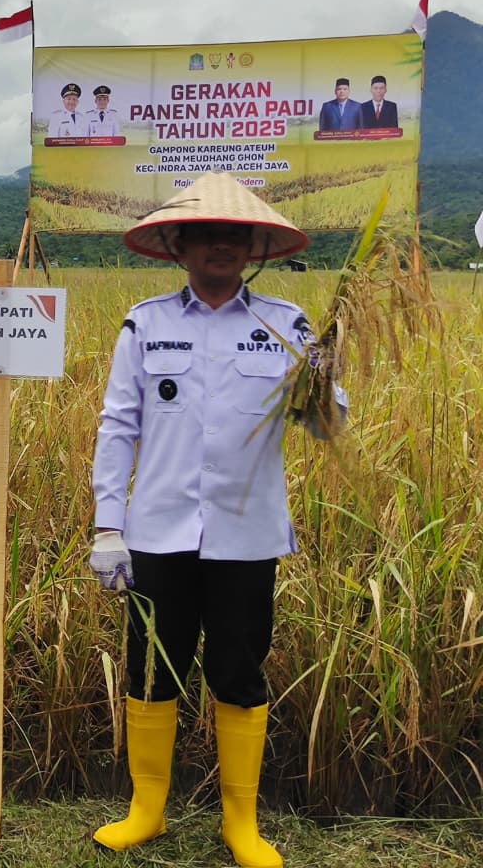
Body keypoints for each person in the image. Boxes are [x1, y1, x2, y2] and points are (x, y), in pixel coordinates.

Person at [88, 171, 346, 868]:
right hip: (158, 530)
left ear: (254, 248)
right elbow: (118, 426)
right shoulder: (146, 323)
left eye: (235, 236)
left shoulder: (286, 325)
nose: (221, 247)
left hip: (246, 534)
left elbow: (324, 427)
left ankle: (242, 822)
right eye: (206, 235)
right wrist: (108, 526)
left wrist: (325, 380)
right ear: (180, 245)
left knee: (238, 670)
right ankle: (147, 810)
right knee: (152, 669)